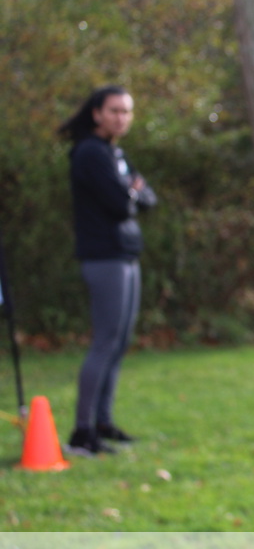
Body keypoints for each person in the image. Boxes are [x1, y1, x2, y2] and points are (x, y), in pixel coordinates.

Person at [57, 86, 156, 456]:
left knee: (120, 341)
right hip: (104, 257)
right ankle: (81, 432)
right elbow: (119, 204)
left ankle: (103, 421)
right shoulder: (90, 153)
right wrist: (131, 194)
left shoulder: (116, 153)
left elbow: (149, 198)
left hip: (126, 253)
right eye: (114, 110)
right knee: (105, 340)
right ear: (97, 113)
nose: (121, 118)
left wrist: (133, 194)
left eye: (127, 111)